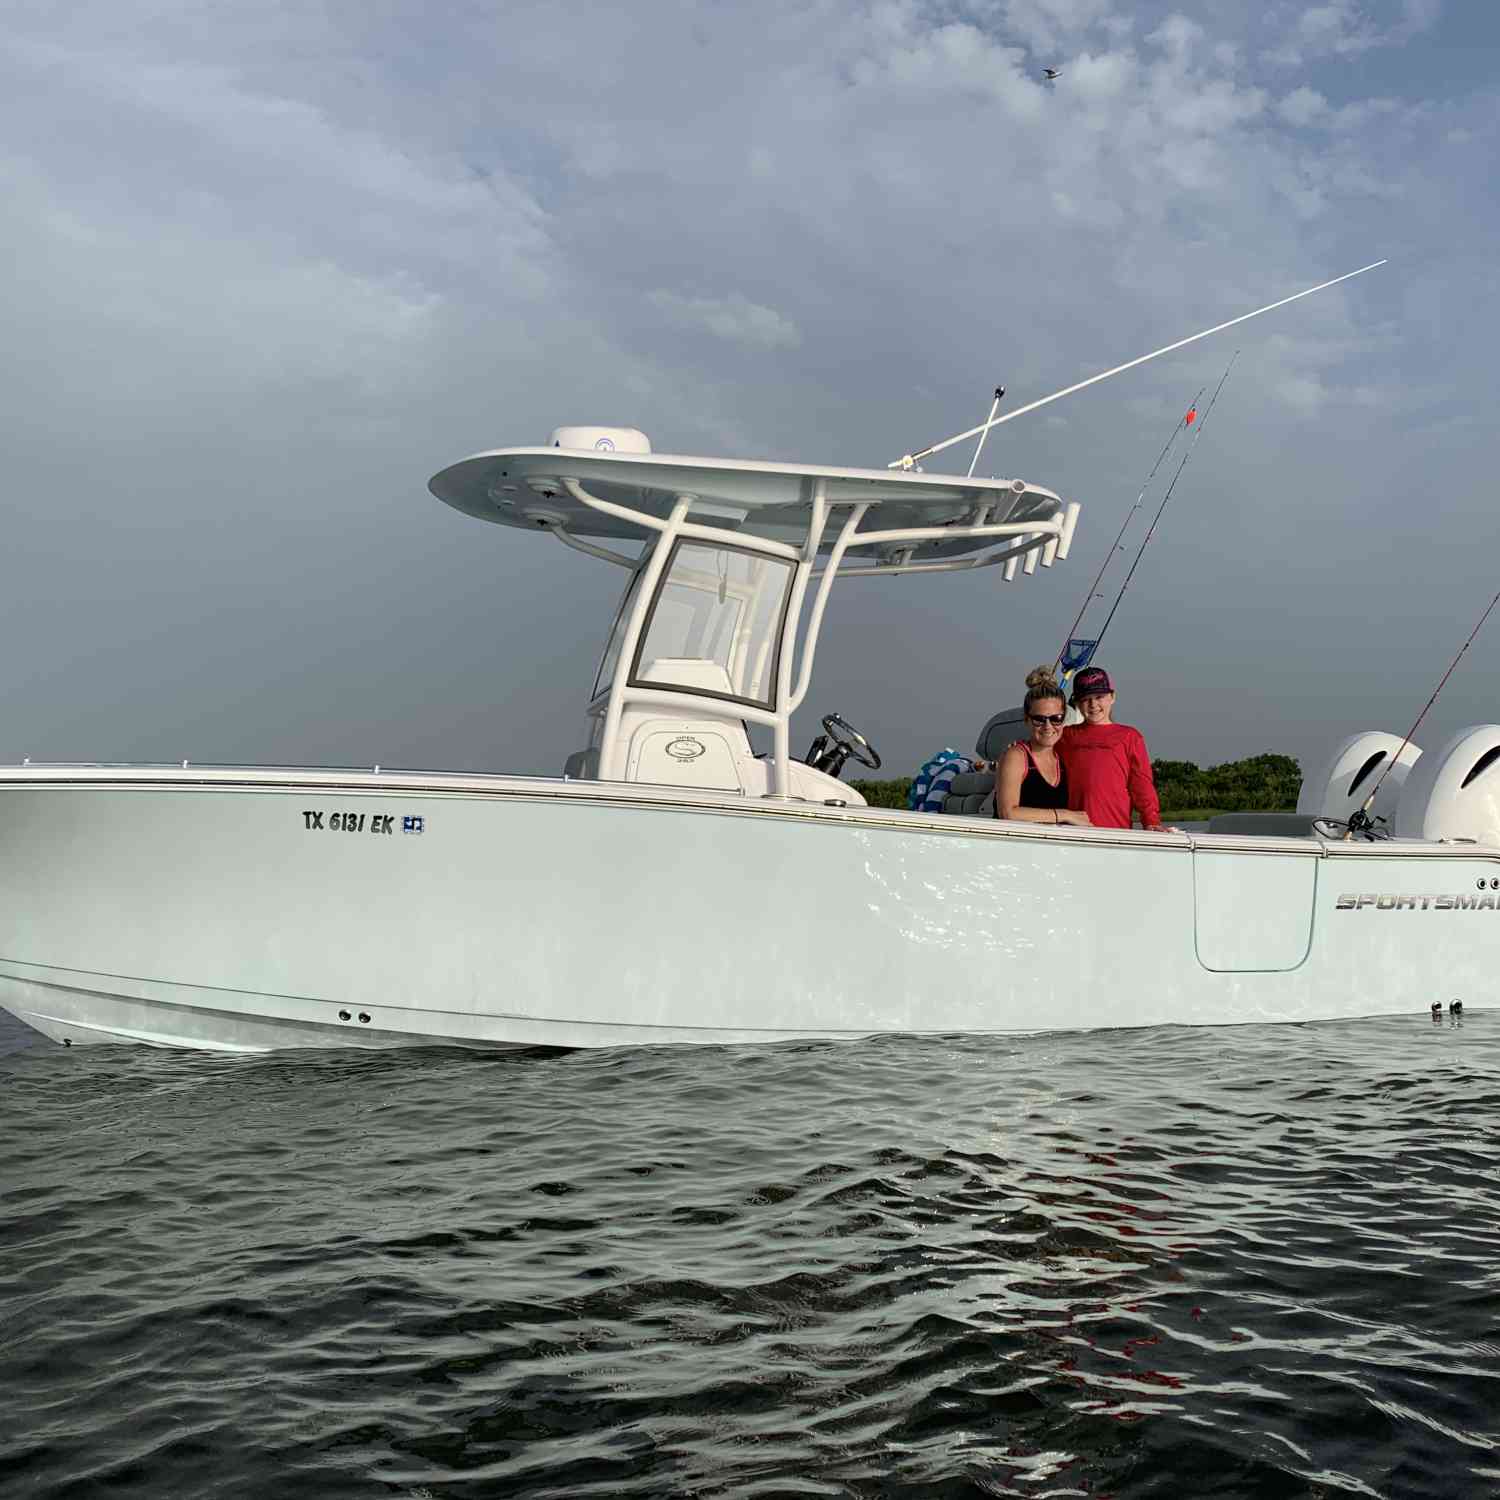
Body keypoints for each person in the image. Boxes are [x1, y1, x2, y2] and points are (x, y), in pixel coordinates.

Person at [1058, 666, 1171, 831]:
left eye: (1099, 697)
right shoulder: (1063, 736)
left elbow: (1141, 786)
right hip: (1072, 831)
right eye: (1085, 699)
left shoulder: (1130, 736)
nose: (1093, 704)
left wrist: (1151, 821)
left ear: (1112, 697)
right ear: (1076, 703)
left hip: (1116, 832)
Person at [995, 668, 1093, 826]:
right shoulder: (1016, 756)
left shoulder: (1064, 757)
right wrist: (1064, 815)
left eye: (1056, 718)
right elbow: (1008, 812)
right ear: (1026, 719)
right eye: (1039, 719)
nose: (1048, 726)